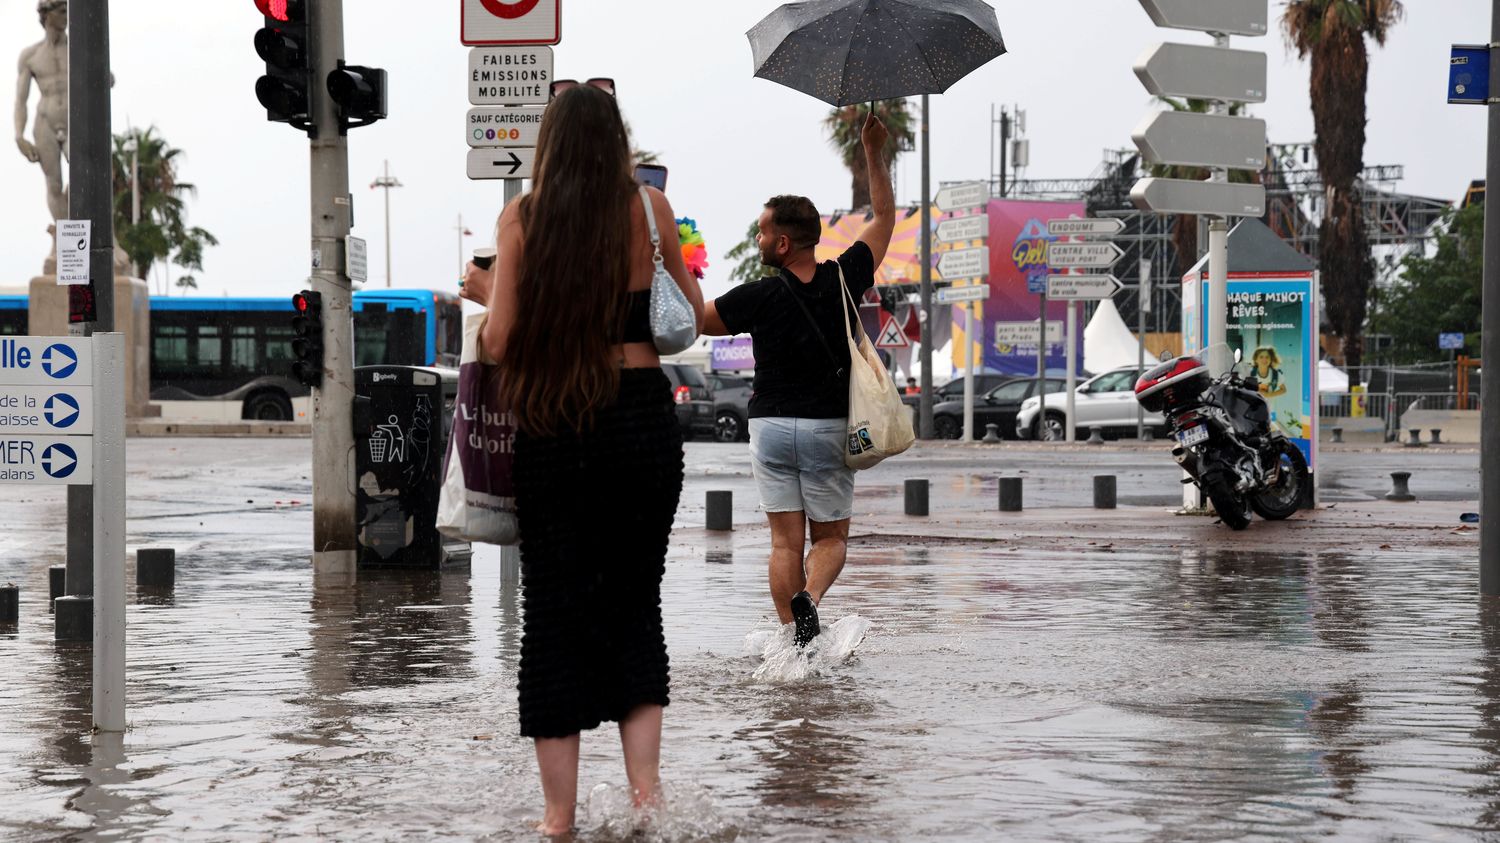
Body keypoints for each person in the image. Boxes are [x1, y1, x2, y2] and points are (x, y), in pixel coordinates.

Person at [460, 85, 703, 836]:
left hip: (557, 424)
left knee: (555, 618)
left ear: (551, 146)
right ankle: (646, 801)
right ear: (616, 144)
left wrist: (485, 288)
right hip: (640, 422)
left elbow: (499, 342)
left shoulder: (524, 219)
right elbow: (687, 319)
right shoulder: (651, 212)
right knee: (637, 604)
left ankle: (558, 819)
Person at [702, 113, 895, 648]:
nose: (759, 238)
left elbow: (692, 320)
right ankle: (809, 600)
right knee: (830, 537)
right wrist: (872, 150)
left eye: (764, 231)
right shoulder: (844, 276)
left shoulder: (757, 296)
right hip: (827, 428)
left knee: (784, 544)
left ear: (784, 243)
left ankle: (793, 641)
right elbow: (883, 216)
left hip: (769, 428)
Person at [14, 0, 69, 221]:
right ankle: (67, 245)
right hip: (45, 121)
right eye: (62, 11)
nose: (67, 16)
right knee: (54, 185)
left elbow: (99, 72)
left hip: (72, 120)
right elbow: (21, 100)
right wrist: (19, 135)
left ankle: (102, 236)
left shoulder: (78, 48)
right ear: (47, 15)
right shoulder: (31, 55)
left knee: (84, 172)